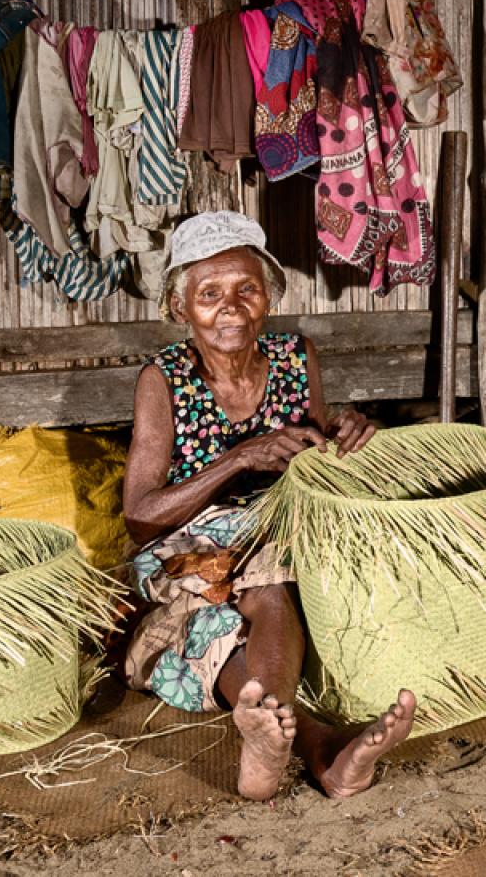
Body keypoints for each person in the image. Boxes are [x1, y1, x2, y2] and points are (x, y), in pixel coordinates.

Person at [122, 210, 415, 800]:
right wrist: (238, 458)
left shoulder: (293, 355)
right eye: (209, 294)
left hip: (277, 530)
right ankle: (316, 745)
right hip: (190, 545)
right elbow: (140, 515)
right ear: (181, 309)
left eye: (245, 289)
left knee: (230, 615)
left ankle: (278, 740)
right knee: (256, 589)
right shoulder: (165, 378)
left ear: (269, 297)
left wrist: (348, 432)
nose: (229, 308)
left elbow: (317, 448)